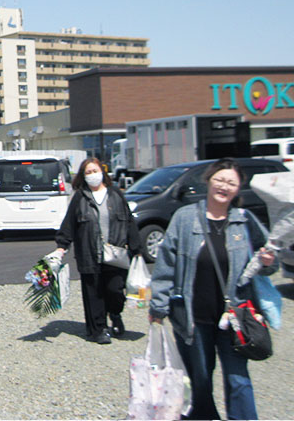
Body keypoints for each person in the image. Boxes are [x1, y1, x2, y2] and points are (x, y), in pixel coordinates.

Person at [148, 157, 278, 420]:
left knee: (238, 379)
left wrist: (267, 262)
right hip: (193, 317)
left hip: (235, 317)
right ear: (208, 181)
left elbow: (269, 261)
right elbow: (166, 264)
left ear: (238, 188)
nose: (224, 186)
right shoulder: (184, 218)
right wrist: (158, 305)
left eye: (231, 182)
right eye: (219, 179)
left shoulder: (245, 220)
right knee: (201, 379)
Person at [49, 157, 141, 344]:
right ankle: (97, 330)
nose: (93, 175)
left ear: (103, 172)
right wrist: (61, 247)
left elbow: (129, 221)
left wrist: (136, 248)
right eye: (88, 172)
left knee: (115, 290)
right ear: (83, 176)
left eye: (95, 171)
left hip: (115, 253)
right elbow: (70, 224)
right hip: (89, 254)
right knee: (94, 294)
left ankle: (115, 314)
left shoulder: (116, 195)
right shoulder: (80, 198)